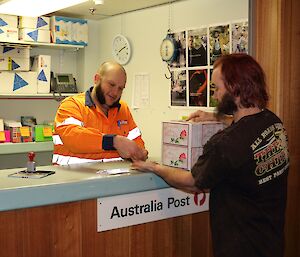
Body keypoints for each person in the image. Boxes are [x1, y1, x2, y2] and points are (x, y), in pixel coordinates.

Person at [132, 53, 289, 257]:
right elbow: (246, 134)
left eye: (216, 88)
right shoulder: (272, 122)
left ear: (234, 88)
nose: (214, 95)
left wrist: (154, 167)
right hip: (271, 243)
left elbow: (192, 182)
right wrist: (218, 118)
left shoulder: (225, 145)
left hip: (241, 248)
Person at [52, 61, 148, 165]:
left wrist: (140, 153)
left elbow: (138, 145)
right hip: (72, 179)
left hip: (114, 179)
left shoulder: (123, 109)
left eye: (120, 88)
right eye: (111, 85)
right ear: (97, 79)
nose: (115, 93)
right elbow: (74, 139)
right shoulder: (72, 105)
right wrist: (114, 142)